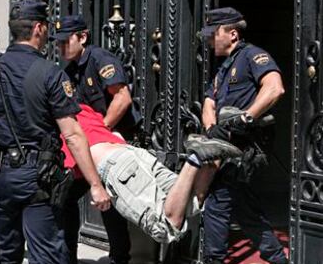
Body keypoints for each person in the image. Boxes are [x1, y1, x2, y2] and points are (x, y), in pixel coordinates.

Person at [0, 1, 110, 264]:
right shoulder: (50, 73)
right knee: (44, 259)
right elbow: (72, 134)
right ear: (39, 28)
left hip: (1, 176)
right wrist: (95, 184)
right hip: (39, 179)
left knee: (4, 251)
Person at [181, 7, 288, 264]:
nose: (209, 41)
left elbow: (275, 88)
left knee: (217, 203)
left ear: (232, 33)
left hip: (246, 147)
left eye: (213, 34)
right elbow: (208, 103)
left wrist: (246, 118)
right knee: (243, 209)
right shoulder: (223, 68)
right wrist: (212, 129)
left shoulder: (253, 56)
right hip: (225, 146)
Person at [61, 103, 243, 244]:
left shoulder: (57, 120)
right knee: (190, 202)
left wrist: (95, 185)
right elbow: (114, 133)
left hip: (116, 166)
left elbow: (74, 151)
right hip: (133, 154)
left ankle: (195, 158)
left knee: (165, 227)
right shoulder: (80, 109)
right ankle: (222, 132)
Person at [50, 15, 137, 264]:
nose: (61, 47)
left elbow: (122, 98)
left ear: (83, 37)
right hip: (85, 153)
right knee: (62, 201)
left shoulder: (100, 59)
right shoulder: (68, 70)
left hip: (111, 147)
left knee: (111, 214)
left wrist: (102, 133)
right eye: (58, 43)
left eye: (66, 41)